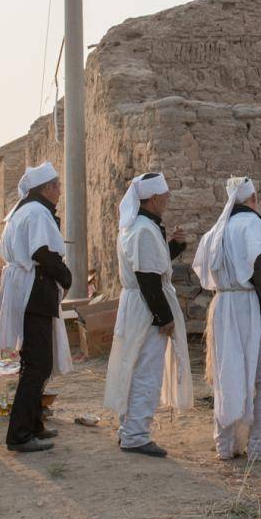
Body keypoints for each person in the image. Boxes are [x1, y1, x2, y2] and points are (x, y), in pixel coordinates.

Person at [192, 176, 261, 461]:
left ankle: (226, 444)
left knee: (228, 374)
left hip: (223, 305)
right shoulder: (252, 226)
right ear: (253, 199)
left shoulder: (217, 230)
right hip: (250, 306)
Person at [103, 172, 194, 457]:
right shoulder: (143, 230)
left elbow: (154, 264)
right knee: (146, 371)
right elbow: (148, 279)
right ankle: (135, 435)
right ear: (153, 198)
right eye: (165, 195)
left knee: (135, 367)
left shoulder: (140, 227)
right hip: (146, 309)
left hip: (139, 306)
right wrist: (163, 317)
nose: (168, 198)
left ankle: (129, 429)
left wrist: (175, 246)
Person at [0, 162, 73, 453]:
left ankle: (34, 423)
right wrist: (65, 276)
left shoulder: (24, 210)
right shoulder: (38, 212)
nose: (60, 191)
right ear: (47, 188)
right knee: (37, 365)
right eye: (57, 186)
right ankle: (19, 434)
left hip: (28, 288)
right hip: (34, 290)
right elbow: (42, 252)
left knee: (36, 362)